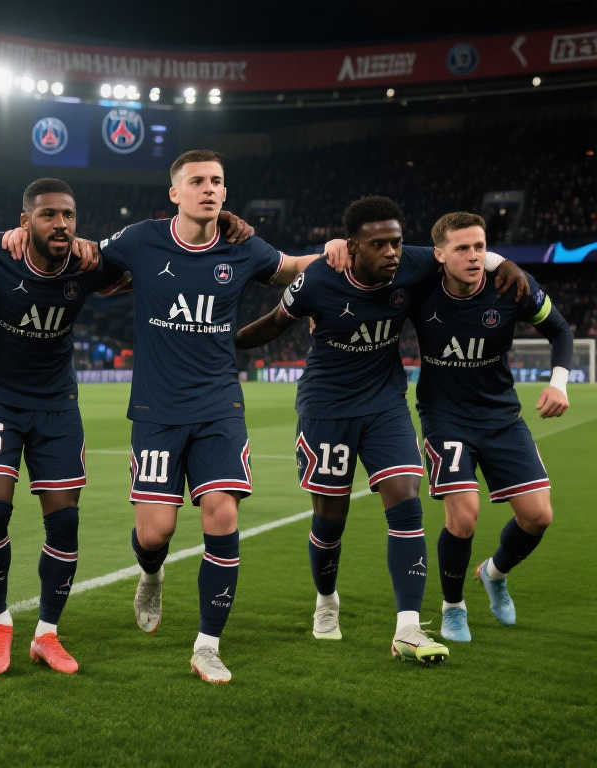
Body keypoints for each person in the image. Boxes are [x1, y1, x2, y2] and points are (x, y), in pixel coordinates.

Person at [236, 195, 527, 665]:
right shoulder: (319, 280)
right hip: (327, 408)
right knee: (329, 520)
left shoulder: (411, 264)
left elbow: (460, 251)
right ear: (351, 247)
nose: (392, 252)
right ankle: (326, 600)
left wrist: (501, 262)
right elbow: (273, 324)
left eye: (396, 242)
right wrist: (220, 346)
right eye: (379, 244)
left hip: (385, 404)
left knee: (406, 498)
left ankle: (407, 628)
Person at [96, 149, 326, 684]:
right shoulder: (140, 240)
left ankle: (207, 645)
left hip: (219, 405)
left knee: (221, 516)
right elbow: (86, 261)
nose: (209, 189)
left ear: (225, 192)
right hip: (156, 410)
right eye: (197, 181)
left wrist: (335, 252)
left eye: (217, 181)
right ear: (174, 193)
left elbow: (290, 267)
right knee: (155, 533)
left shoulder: (243, 247)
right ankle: (151, 574)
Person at [0, 178, 130, 676]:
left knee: (65, 521)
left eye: (68, 216)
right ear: (25, 221)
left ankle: (47, 634)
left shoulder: (87, 264)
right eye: (48, 215)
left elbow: (150, 264)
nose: (61, 224)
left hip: (56, 404)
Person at [412, 212, 571, 642]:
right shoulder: (421, 285)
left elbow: (560, 331)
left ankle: (494, 573)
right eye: (462, 248)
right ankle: (453, 607)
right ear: (439, 254)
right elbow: (378, 264)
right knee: (464, 517)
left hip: (501, 415)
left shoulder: (512, 286)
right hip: (445, 417)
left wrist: (558, 384)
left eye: (480, 247)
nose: (473, 256)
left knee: (538, 516)